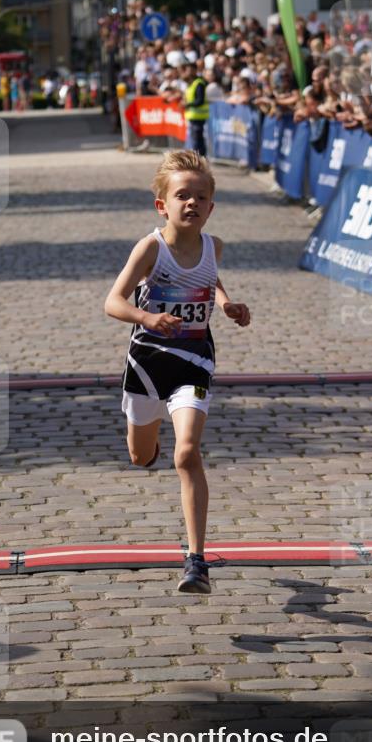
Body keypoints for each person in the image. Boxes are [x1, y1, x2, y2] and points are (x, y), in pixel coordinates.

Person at [104, 149, 250, 594]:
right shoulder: (151, 248)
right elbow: (112, 302)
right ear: (162, 205)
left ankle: (196, 560)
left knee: (186, 452)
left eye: (200, 197)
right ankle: (147, 443)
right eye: (182, 195)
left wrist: (225, 303)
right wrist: (147, 318)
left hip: (194, 358)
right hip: (147, 362)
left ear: (211, 206)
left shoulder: (214, 246)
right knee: (141, 456)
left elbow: (212, 279)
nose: (191, 203)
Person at [181, 61, 209, 156]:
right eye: (187, 70)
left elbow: (200, 100)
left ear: (194, 70)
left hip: (199, 117)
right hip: (193, 117)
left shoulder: (199, 83)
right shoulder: (191, 84)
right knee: (195, 140)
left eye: (190, 70)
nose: (188, 72)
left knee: (198, 141)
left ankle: (200, 159)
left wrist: (188, 105)